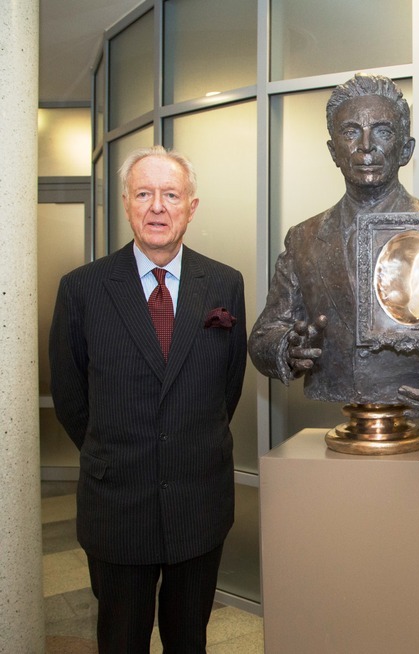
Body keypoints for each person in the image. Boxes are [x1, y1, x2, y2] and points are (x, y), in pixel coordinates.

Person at [49, 146, 248, 653]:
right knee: (120, 640)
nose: (157, 206)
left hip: (198, 503)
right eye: (143, 194)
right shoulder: (82, 289)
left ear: (191, 207)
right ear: (126, 203)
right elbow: (71, 398)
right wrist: (114, 450)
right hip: (118, 506)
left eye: (170, 195)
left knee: (189, 640)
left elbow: (228, 387)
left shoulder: (224, 284)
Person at [248, 73, 419, 414]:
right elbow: (265, 333)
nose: (365, 146)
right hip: (339, 395)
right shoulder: (304, 237)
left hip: (409, 399)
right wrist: (287, 347)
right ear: (333, 151)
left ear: (405, 149)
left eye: (383, 131)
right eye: (350, 132)